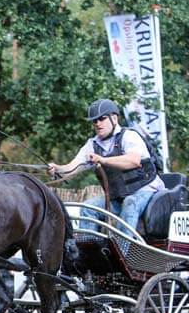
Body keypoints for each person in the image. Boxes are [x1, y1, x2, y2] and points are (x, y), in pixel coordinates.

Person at [48, 99, 163, 233]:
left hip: (145, 191)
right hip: (118, 198)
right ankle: (89, 244)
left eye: (102, 119)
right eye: (94, 121)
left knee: (130, 203)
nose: (98, 123)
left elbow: (133, 161)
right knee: (88, 208)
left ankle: (123, 246)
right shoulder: (92, 144)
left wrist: (103, 160)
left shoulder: (129, 136)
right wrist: (58, 169)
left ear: (114, 118)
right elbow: (72, 168)